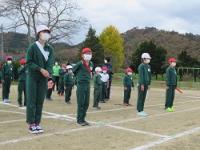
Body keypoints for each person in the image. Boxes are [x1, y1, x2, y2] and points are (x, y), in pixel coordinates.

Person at [26, 25, 54, 134]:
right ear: (39, 33)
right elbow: (29, 62)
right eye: (44, 32)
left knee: (40, 101)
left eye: (48, 32)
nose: (46, 34)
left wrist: (49, 77)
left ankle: (37, 123)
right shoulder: (32, 47)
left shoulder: (50, 48)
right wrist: (40, 69)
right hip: (33, 77)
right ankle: (31, 123)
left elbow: (50, 63)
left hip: (43, 79)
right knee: (32, 100)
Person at [73, 47, 93, 126]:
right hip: (81, 84)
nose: (88, 55)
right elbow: (73, 71)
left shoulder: (91, 64)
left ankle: (83, 119)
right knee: (81, 102)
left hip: (87, 84)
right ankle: (79, 120)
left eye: (90, 54)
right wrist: (77, 79)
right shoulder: (80, 63)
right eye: (86, 54)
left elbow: (90, 72)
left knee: (86, 103)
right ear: (82, 55)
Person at [137, 53, 151, 117]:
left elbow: (149, 76)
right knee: (141, 97)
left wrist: (149, 84)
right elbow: (141, 76)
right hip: (141, 84)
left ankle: (142, 110)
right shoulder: (141, 66)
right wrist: (142, 84)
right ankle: (139, 110)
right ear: (144, 59)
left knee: (144, 98)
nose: (149, 60)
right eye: (148, 58)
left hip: (146, 84)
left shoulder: (148, 66)